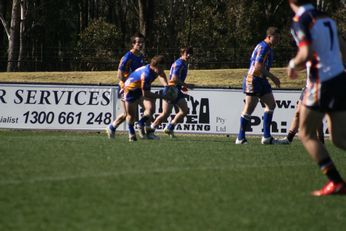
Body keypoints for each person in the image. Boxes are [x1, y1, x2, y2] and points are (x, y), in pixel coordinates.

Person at [287, 0, 346, 196]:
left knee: (306, 133)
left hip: (322, 83)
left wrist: (292, 63)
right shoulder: (327, 18)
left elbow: (306, 53)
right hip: (339, 79)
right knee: (339, 139)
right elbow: (343, 49)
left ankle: (336, 182)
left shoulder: (301, 20)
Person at [235, 27, 288, 145]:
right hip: (254, 79)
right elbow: (258, 66)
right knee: (250, 107)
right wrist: (273, 77)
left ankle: (266, 137)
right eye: (277, 38)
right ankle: (240, 138)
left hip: (261, 80)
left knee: (271, 104)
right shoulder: (264, 47)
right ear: (269, 37)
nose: (278, 40)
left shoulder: (266, 47)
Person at [106, 33, 145, 139]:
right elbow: (119, 75)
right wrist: (127, 85)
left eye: (142, 42)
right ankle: (130, 134)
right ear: (133, 44)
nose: (140, 44)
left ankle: (113, 127)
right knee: (129, 114)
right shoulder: (127, 57)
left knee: (147, 109)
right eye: (138, 42)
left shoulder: (141, 57)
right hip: (126, 88)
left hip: (137, 89)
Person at [148, 47, 194, 138]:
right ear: (182, 53)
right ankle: (151, 130)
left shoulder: (184, 63)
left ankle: (170, 127)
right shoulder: (179, 63)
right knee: (166, 113)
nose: (189, 55)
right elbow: (174, 79)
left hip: (176, 89)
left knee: (185, 110)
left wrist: (182, 86)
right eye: (187, 53)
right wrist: (186, 85)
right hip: (171, 90)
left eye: (190, 53)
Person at [123, 55, 168, 142]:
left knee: (150, 109)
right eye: (161, 67)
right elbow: (146, 94)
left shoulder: (155, 70)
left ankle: (141, 123)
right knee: (131, 116)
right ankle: (131, 134)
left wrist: (166, 86)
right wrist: (161, 96)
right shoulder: (146, 74)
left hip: (140, 89)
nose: (163, 70)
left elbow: (162, 75)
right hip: (130, 90)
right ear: (156, 66)